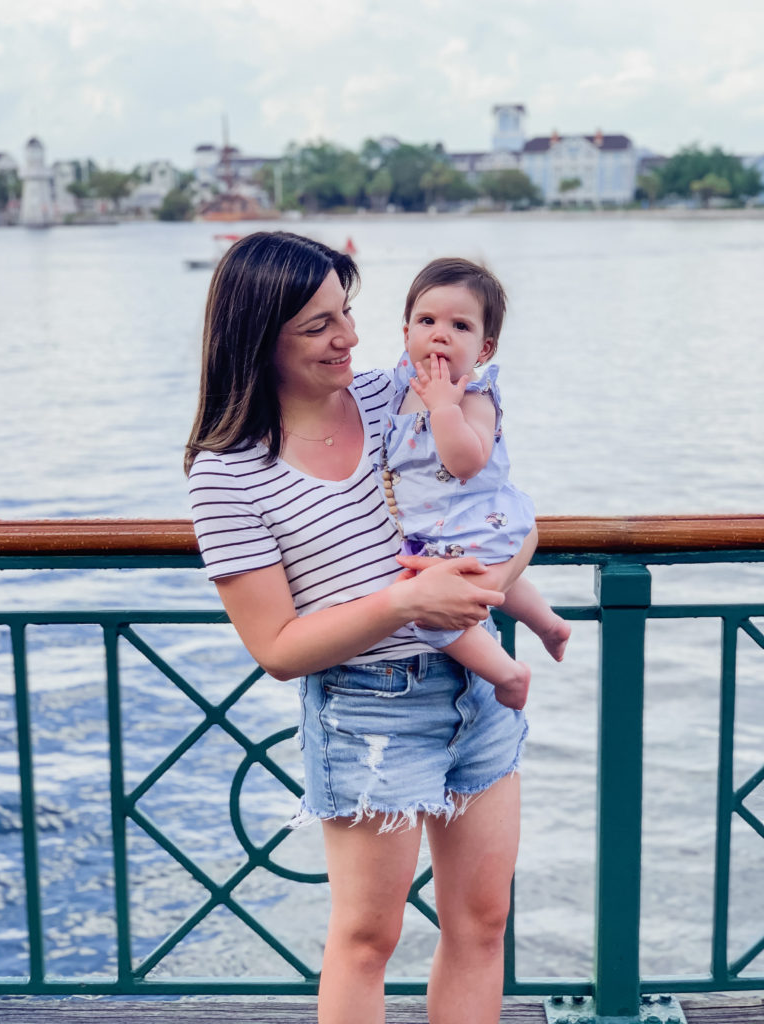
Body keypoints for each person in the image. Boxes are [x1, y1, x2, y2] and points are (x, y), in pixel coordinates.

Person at [186, 231, 545, 1024]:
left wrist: (503, 573)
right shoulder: (228, 472)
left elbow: (510, 517)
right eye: (317, 326)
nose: (348, 336)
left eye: (345, 312)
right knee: (367, 939)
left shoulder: (398, 395)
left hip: (477, 690)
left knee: (482, 924)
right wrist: (406, 604)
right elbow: (276, 649)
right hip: (367, 710)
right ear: (256, 336)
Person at [379, 258, 569, 710]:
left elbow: (467, 462)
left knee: (428, 615)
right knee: (491, 579)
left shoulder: (474, 397)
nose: (440, 334)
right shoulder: (402, 388)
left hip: (468, 524)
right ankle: (549, 625)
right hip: (437, 529)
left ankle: (507, 673)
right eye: (427, 321)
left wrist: (445, 408)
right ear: (406, 334)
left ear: (484, 350)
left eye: (459, 326)